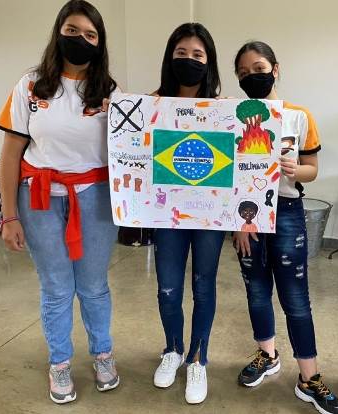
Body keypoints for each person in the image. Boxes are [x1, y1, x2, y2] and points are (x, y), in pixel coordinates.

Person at [0, 0, 120, 404]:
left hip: (95, 197)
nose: (80, 39)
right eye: (72, 31)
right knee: (56, 285)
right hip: (40, 195)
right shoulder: (30, 85)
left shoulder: (110, 92)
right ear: (58, 33)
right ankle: (60, 362)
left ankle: (102, 353)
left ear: (99, 42)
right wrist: (9, 216)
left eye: (90, 34)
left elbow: (132, 151)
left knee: (94, 285)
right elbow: (11, 154)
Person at [232, 41, 338, 414]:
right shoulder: (230, 116)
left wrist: (298, 170)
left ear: (275, 69)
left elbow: (312, 169)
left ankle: (309, 377)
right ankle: (267, 354)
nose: (252, 76)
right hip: (245, 213)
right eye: (244, 72)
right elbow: (225, 174)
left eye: (259, 68)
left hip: (286, 210)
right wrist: (239, 221)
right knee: (256, 289)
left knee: (295, 296)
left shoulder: (299, 116)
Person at [150, 22, 224, 405]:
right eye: (181, 53)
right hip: (167, 215)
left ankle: (198, 358)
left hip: (210, 215)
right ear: (170, 57)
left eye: (197, 54)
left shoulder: (222, 110)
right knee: (167, 288)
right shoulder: (151, 105)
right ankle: (173, 350)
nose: (189, 60)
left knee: (203, 285)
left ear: (209, 62)